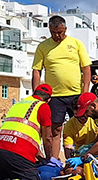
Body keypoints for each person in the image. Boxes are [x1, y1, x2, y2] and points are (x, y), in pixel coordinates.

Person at [32, 15, 92, 160]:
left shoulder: (76, 43)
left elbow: (86, 69)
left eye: (59, 32)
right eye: (53, 32)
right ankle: (54, 161)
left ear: (65, 29)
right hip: (54, 96)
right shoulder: (43, 46)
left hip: (76, 94)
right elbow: (36, 71)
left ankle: (86, 158)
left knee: (82, 126)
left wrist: (85, 93)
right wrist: (37, 96)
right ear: (49, 30)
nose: (57, 36)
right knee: (55, 129)